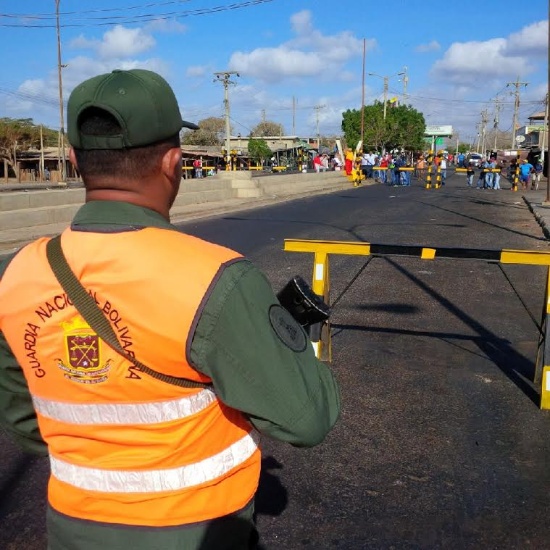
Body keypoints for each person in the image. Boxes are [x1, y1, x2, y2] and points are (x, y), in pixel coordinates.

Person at [0, 69, 340, 550]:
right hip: (199, 530)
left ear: (74, 160)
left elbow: (24, 419)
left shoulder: (15, 274)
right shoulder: (216, 277)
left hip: (73, 528)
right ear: (174, 162)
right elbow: (309, 418)